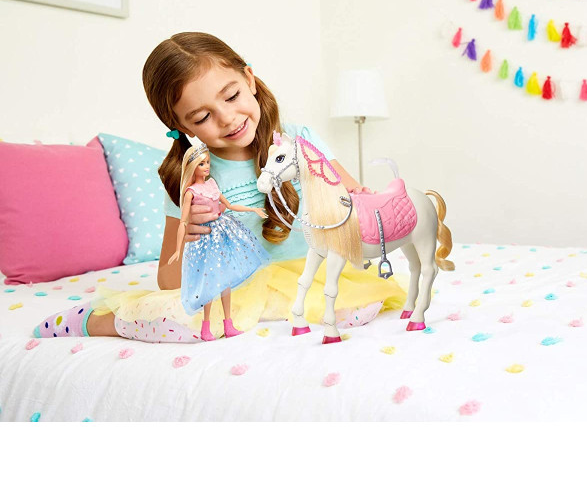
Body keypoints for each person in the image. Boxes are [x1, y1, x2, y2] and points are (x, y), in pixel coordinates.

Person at [34, 32, 405, 342]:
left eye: (232, 96)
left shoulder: (298, 140)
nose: (228, 118)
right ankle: (98, 319)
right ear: (181, 127)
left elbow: (355, 207)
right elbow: (169, 282)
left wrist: (370, 203)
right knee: (184, 322)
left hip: (309, 276)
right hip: (239, 289)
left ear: (249, 80)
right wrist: (188, 234)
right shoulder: (193, 175)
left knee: (362, 306)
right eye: (203, 116)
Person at [169, 144, 270, 341]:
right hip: (206, 240)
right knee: (210, 283)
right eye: (201, 164)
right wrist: (177, 249)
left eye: (207, 162)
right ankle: (205, 328)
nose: (207, 166)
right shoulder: (190, 192)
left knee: (226, 282)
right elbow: (183, 222)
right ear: (192, 167)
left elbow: (229, 205)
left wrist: (253, 209)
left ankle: (228, 324)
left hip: (223, 233)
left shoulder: (212, 184)